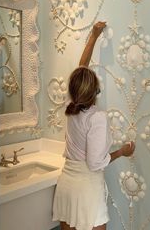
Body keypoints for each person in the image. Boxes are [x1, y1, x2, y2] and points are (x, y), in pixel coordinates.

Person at [52, 22, 135, 230]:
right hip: (87, 189)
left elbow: (81, 69)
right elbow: (96, 163)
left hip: (67, 184)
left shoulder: (70, 102)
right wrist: (121, 152)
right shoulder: (97, 117)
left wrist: (94, 36)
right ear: (95, 91)